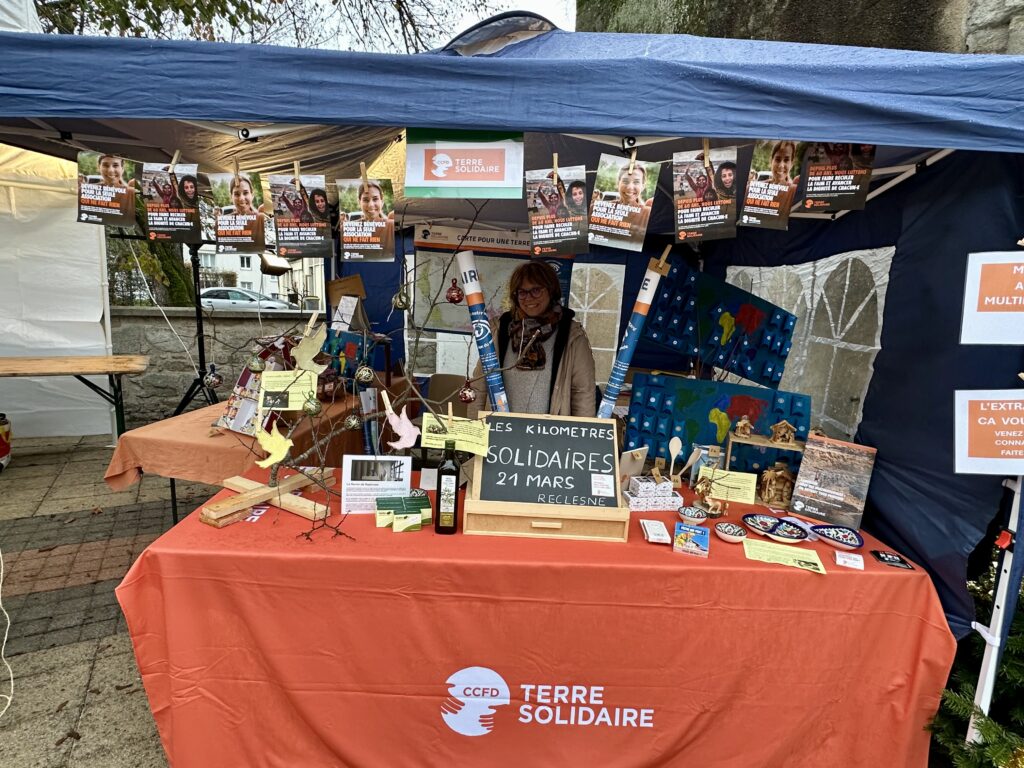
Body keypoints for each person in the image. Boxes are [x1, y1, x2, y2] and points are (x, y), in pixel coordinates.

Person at [469, 261, 596, 417]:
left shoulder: (572, 335)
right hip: (501, 428)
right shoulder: (500, 330)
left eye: (536, 290)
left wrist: (582, 431)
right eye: (522, 292)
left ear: (551, 291)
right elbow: (480, 386)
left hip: (551, 431)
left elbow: (582, 393)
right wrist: (473, 427)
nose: (528, 298)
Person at [614, 163, 653, 239]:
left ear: (643, 186)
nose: (630, 187)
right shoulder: (598, 208)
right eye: (625, 181)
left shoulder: (648, 214)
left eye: (636, 182)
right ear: (618, 183)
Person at [356, 179, 394, 256]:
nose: (371, 205)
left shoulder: (391, 225)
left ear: (382, 202)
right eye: (366, 200)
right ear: (359, 202)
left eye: (375, 199)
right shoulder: (349, 228)